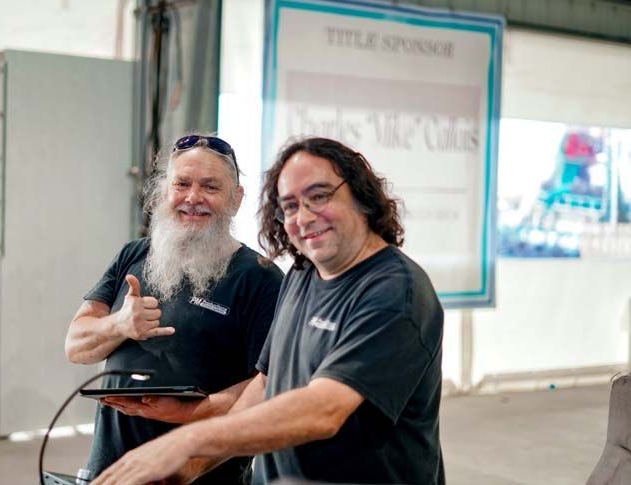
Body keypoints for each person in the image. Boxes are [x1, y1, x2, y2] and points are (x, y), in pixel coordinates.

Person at [92, 137, 445, 485]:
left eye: (319, 196)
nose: (304, 216)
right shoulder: (303, 275)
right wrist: (193, 466)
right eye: (289, 205)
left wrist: (187, 441)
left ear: (361, 196)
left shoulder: (395, 292)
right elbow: (264, 384)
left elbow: (324, 410)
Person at [65, 134, 283, 484]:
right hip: (109, 469)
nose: (193, 198)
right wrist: (119, 325)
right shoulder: (133, 255)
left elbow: (269, 387)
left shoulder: (260, 278)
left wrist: (189, 412)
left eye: (210, 187)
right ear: (164, 191)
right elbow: (76, 347)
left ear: (236, 199)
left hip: (201, 474)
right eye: (182, 184)